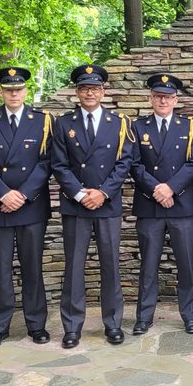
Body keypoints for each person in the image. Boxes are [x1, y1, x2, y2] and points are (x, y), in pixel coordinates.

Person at [51, 64, 135, 349]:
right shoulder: (64, 124)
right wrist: (79, 194)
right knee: (74, 267)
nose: (90, 93)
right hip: (76, 206)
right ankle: (72, 326)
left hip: (106, 204)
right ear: (77, 92)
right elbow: (59, 165)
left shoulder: (119, 123)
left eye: (95, 88)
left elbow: (124, 162)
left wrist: (103, 193)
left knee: (110, 265)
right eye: (85, 88)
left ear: (104, 91)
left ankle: (112, 323)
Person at [0, 67, 53, 348]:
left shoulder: (42, 121)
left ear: (25, 91)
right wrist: (3, 194)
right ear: (1, 92)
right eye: (8, 89)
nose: (14, 93)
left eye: (18, 89)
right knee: (0, 268)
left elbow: (46, 162)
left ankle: (36, 324)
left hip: (30, 206)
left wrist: (22, 194)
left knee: (33, 267)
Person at [129, 73, 193, 334]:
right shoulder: (138, 127)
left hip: (180, 206)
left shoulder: (188, 126)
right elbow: (134, 164)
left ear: (176, 99)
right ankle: (144, 316)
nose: (163, 100)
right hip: (150, 206)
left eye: (168, 97)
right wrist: (156, 189)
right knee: (149, 265)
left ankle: (190, 315)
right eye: (158, 96)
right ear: (151, 98)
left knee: (186, 263)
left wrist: (170, 188)